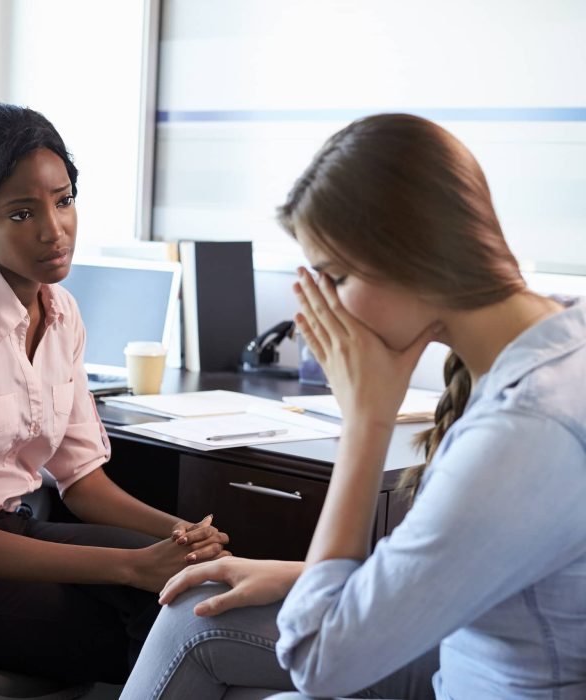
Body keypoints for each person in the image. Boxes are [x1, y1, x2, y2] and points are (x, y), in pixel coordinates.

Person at [119, 113, 586, 699]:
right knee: (197, 612)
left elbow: (320, 662)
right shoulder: (557, 341)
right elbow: (472, 568)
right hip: (466, 654)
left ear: (412, 256)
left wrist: (366, 420)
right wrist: (296, 576)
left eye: (335, 278)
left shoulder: (524, 433)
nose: (324, 309)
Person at [0, 103, 230, 685]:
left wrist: (179, 533)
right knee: (156, 622)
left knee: (197, 584)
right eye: (23, 213)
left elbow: (82, 483)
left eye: (63, 201)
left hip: (9, 534)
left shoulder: (62, 312)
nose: (53, 229)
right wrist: (133, 567)